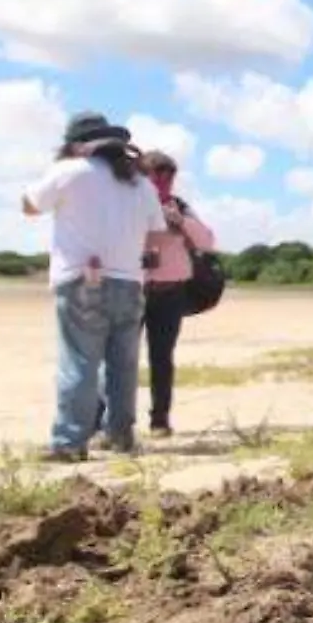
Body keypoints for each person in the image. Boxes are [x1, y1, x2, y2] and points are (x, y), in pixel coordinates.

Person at [22, 111, 166, 462]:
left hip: (83, 278)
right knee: (123, 364)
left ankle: (70, 442)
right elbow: (157, 232)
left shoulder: (69, 171)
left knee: (80, 363)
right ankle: (121, 435)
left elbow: (29, 206)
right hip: (129, 281)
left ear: (77, 144)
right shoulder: (140, 183)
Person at [133, 151, 215, 437]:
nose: (164, 183)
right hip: (133, 290)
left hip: (171, 293)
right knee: (120, 357)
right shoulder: (128, 205)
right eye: (157, 176)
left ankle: (160, 419)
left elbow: (208, 240)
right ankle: (109, 420)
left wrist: (180, 222)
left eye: (169, 177)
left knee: (162, 358)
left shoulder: (179, 206)